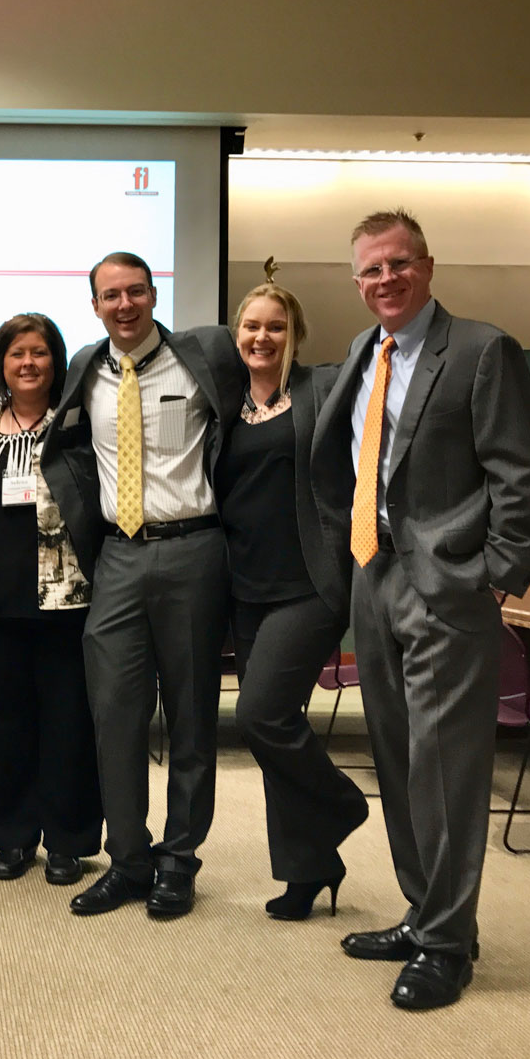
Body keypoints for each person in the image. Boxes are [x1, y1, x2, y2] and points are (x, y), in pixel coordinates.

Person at [313, 209, 530, 1009]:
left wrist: (494, 575)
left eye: (398, 263)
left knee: (445, 768)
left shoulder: (482, 351)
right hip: (373, 575)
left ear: (427, 265)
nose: (385, 279)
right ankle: (425, 914)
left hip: (447, 585)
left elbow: (521, 473)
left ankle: (449, 945)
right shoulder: (363, 350)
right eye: (371, 269)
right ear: (357, 281)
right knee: (396, 759)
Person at [41, 251, 243, 919]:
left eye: (135, 291)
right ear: (94, 305)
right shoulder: (85, 368)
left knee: (191, 715)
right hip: (119, 558)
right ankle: (128, 860)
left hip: (193, 550)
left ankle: (178, 860)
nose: (124, 305)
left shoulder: (202, 357)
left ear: (154, 295)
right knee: (115, 717)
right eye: (111, 295)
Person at [211, 282, 368, 920]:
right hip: (246, 587)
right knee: (277, 731)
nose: (262, 337)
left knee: (261, 716)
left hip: (309, 584)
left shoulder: (321, 389)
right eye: (251, 326)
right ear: (236, 334)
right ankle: (309, 868)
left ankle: (342, 804)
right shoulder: (225, 403)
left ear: (294, 335)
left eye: (275, 326)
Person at [0, 313, 102, 885]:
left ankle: (68, 840)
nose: (28, 363)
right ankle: (12, 836)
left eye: (39, 352)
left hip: (64, 600)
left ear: (55, 361)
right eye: (17, 353)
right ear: (0, 363)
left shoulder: (75, 424)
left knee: (67, 724)